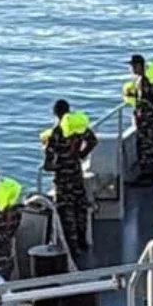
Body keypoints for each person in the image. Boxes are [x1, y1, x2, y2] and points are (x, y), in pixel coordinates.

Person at [42, 99, 99, 252]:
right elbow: (93, 140)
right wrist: (81, 154)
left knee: (66, 213)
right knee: (80, 207)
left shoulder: (55, 133)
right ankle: (83, 241)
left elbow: (48, 165)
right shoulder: (77, 127)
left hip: (63, 179)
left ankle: (73, 248)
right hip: (77, 174)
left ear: (55, 114)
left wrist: (56, 165)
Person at [124, 54, 153, 186]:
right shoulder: (150, 79)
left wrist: (132, 100)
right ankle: (149, 174)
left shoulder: (143, 82)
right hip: (150, 119)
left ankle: (147, 176)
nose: (132, 68)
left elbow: (144, 102)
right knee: (150, 146)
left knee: (146, 147)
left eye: (133, 65)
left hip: (146, 120)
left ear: (139, 65)